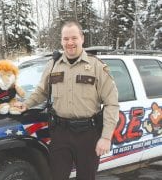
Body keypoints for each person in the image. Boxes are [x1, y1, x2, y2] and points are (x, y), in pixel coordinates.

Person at [15, 21, 119, 180]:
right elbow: (42, 91)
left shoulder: (97, 66)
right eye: (65, 39)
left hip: (88, 134)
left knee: (86, 177)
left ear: (82, 38)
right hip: (60, 133)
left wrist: (105, 137)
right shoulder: (53, 65)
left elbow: (111, 103)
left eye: (74, 38)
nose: (70, 43)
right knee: (56, 176)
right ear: (61, 41)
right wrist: (26, 104)